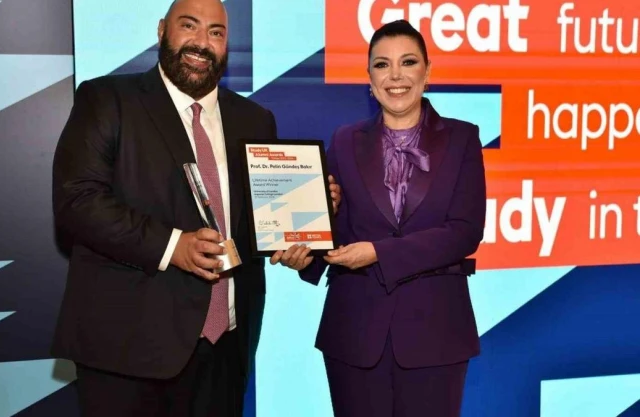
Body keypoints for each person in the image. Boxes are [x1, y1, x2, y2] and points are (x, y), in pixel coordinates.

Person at [50, 0, 341, 416]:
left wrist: (307, 217)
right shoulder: (108, 99)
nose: (202, 42)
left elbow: (255, 223)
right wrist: (174, 246)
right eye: (189, 26)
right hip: (126, 350)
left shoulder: (254, 119)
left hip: (225, 350)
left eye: (216, 32)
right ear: (161, 30)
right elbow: (77, 200)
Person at [271, 19, 486, 417]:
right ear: (369, 78)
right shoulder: (344, 141)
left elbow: (464, 232)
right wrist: (305, 253)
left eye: (408, 62)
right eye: (382, 65)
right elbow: (334, 229)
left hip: (436, 332)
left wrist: (379, 253)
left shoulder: (463, 139)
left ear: (427, 71)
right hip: (354, 332)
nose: (396, 75)